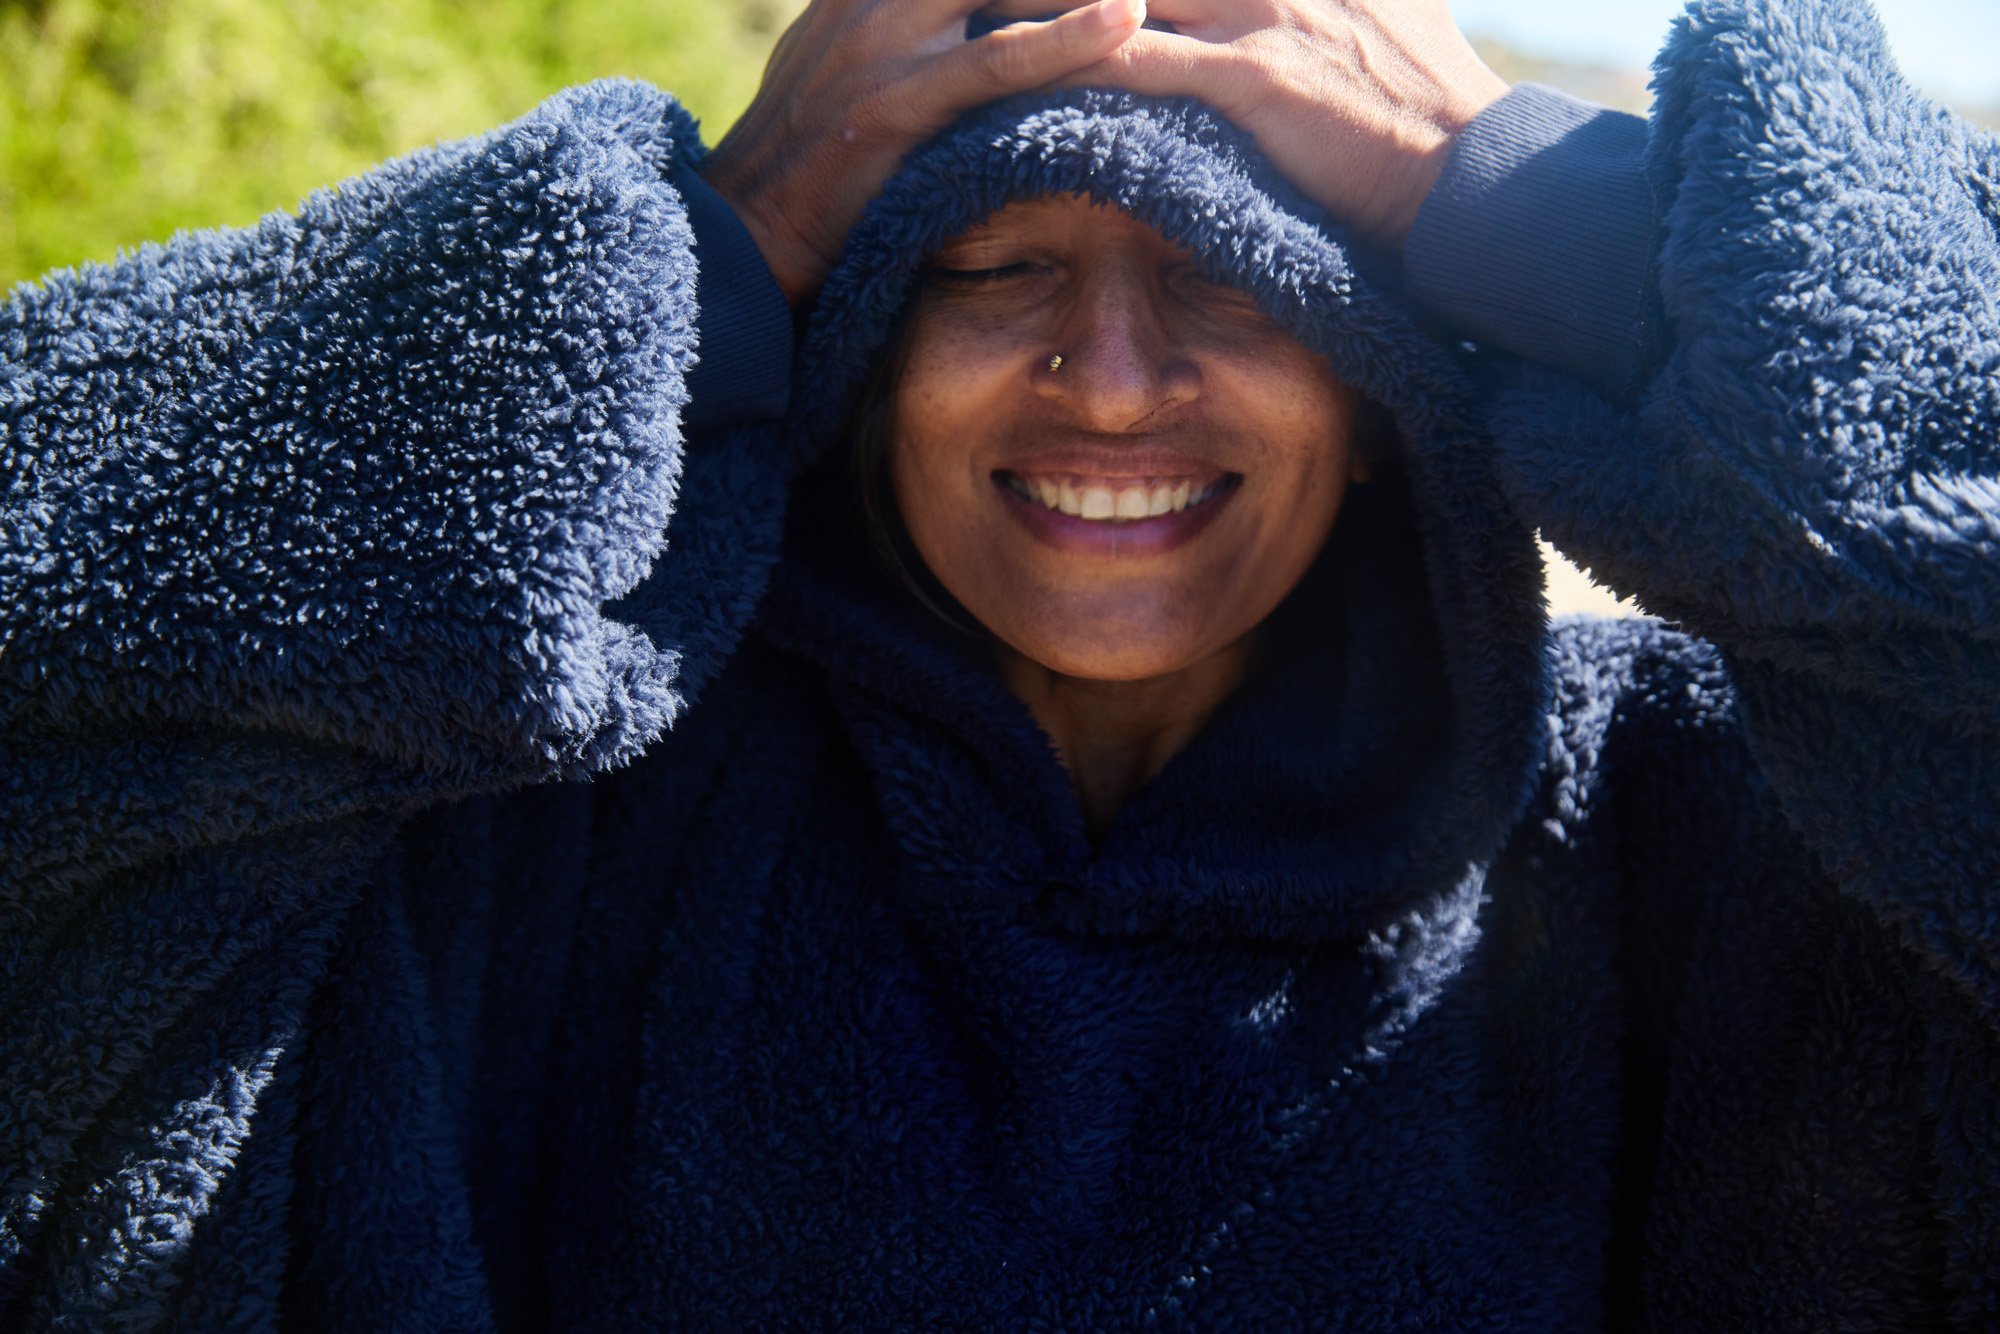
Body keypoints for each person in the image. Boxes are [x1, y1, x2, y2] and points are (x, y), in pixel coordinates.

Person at [2, 0, 1995, 1326]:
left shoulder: (1698, 838)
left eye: (1234, 275)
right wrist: (696, 238)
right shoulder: (504, 835)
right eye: (994, 269)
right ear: (855, 337)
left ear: (1387, 368)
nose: (1111, 384)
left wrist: (1564, 206)